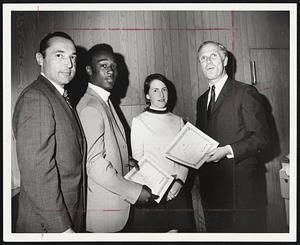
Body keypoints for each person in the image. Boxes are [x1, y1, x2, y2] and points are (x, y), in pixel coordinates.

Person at [76, 44, 158, 233]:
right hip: (104, 216)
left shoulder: (104, 100)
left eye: (114, 66)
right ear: (89, 70)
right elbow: (94, 164)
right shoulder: (90, 106)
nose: (111, 71)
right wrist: (134, 192)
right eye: (103, 65)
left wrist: (124, 160)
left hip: (114, 210)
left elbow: (103, 148)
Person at [12, 32, 86, 233]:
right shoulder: (37, 98)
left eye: (73, 57)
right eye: (59, 56)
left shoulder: (59, 96)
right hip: (49, 225)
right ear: (40, 59)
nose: (69, 64)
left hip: (67, 215)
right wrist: (62, 230)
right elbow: (37, 172)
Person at [195, 40, 270, 232]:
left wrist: (227, 151)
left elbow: (261, 139)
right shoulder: (201, 100)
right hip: (211, 190)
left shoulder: (245, 92)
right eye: (203, 58)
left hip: (241, 190)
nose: (208, 61)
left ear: (225, 60)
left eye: (213, 55)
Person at [131, 73, 196, 232]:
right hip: (153, 190)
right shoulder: (139, 121)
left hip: (176, 189)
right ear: (147, 95)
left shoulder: (178, 120)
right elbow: (139, 160)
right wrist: (160, 188)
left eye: (164, 90)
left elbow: (184, 157)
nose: (161, 94)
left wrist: (179, 182)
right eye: (155, 90)